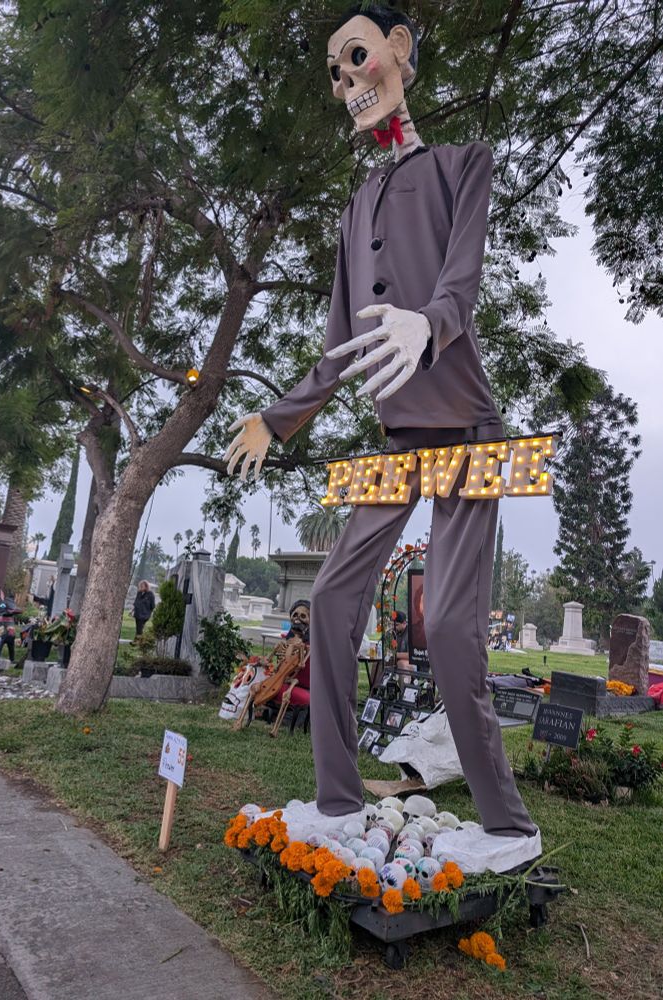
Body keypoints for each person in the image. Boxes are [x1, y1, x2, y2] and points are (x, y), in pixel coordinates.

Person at [223, 5, 540, 872]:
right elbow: (338, 345)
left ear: (397, 53)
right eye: (333, 70)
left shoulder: (462, 165)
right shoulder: (356, 201)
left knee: (448, 631)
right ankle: (334, 799)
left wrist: (429, 326)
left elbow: (461, 286)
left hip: (468, 432)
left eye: (354, 56)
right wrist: (277, 415)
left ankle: (508, 826)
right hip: (397, 443)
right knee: (329, 602)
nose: (345, 81)